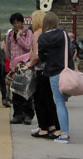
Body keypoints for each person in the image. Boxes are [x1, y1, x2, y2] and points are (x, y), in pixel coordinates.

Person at [37, 12, 72, 143]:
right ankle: (65, 132)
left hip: (53, 73)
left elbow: (41, 57)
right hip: (66, 72)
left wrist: (48, 56)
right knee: (63, 103)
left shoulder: (42, 38)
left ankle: (64, 135)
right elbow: (69, 50)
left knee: (59, 103)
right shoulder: (63, 34)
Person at [26, 10, 60, 138]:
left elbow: (36, 55)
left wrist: (29, 63)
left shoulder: (37, 34)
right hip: (50, 70)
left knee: (39, 100)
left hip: (40, 70)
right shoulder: (49, 33)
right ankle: (50, 125)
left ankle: (43, 128)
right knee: (48, 100)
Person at [6, 13, 34, 124]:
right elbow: (8, 51)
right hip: (15, 66)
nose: (16, 25)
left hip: (25, 65)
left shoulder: (28, 33)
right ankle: (17, 115)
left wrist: (19, 38)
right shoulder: (9, 35)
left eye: (18, 22)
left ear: (22, 23)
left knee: (26, 90)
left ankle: (28, 115)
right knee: (16, 91)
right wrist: (11, 63)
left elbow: (28, 47)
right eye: (14, 23)